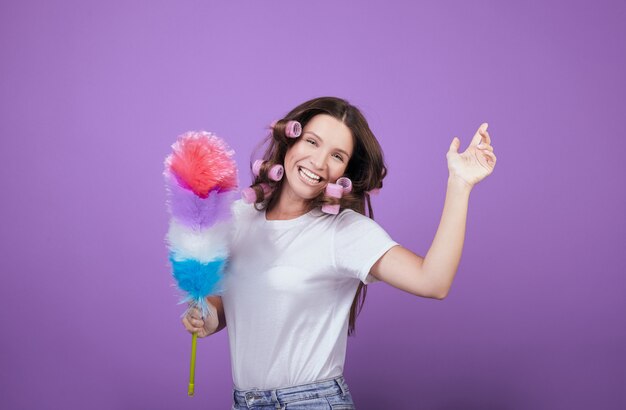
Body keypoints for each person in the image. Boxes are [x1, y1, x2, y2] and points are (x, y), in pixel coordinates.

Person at [181, 96, 497, 409]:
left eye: (337, 155)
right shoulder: (240, 217)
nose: (319, 162)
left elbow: (433, 281)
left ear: (345, 171)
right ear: (289, 140)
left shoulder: (344, 232)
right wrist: (210, 316)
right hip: (245, 402)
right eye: (312, 142)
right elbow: (247, 298)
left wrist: (460, 184)